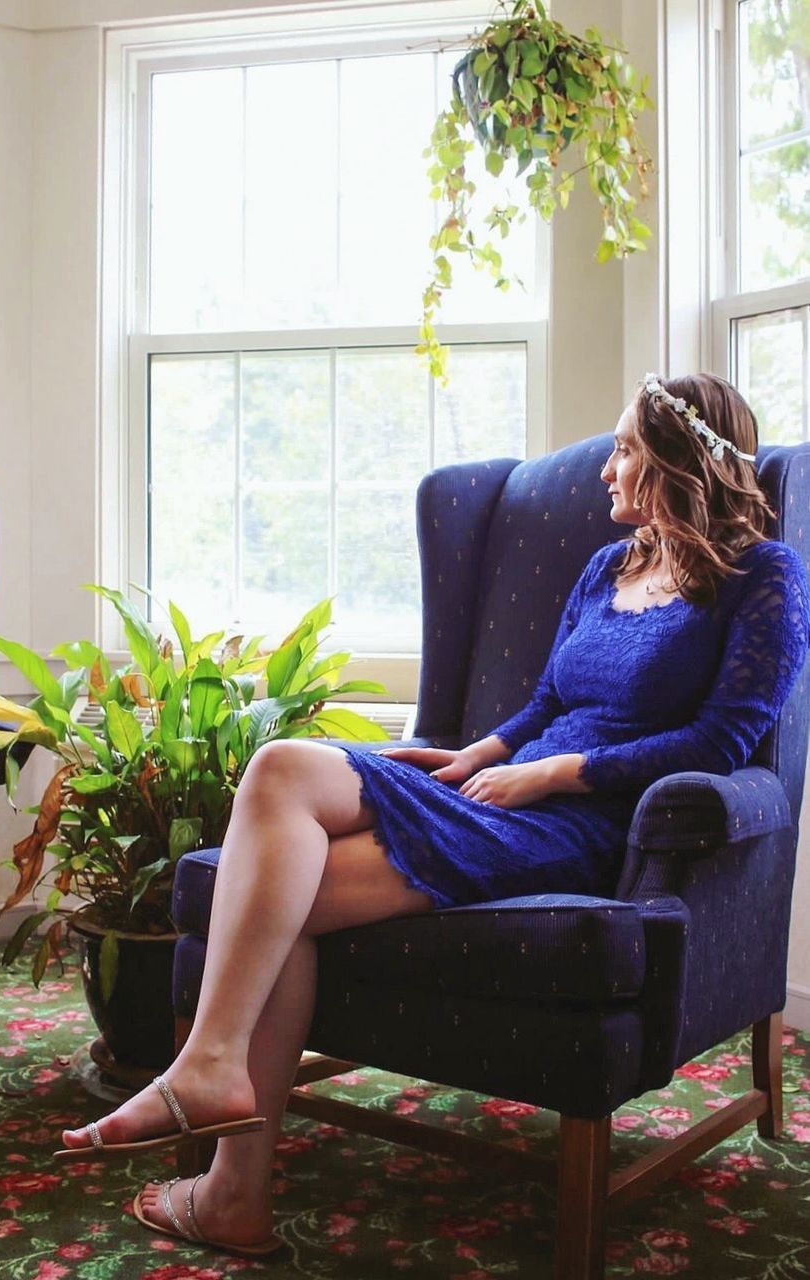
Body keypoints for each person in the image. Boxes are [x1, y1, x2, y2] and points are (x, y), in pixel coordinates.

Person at [57, 372, 810, 1258]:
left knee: (279, 869)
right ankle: (223, 1117)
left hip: (582, 824)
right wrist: (482, 756)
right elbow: (544, 700)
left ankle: (226, 1174)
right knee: (280, 781)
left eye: (623, 451)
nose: (606, 471)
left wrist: (558, 775)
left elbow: (721, 743)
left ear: (677, 464)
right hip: (505, 790)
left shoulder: (766, 575)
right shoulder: (612, 564)